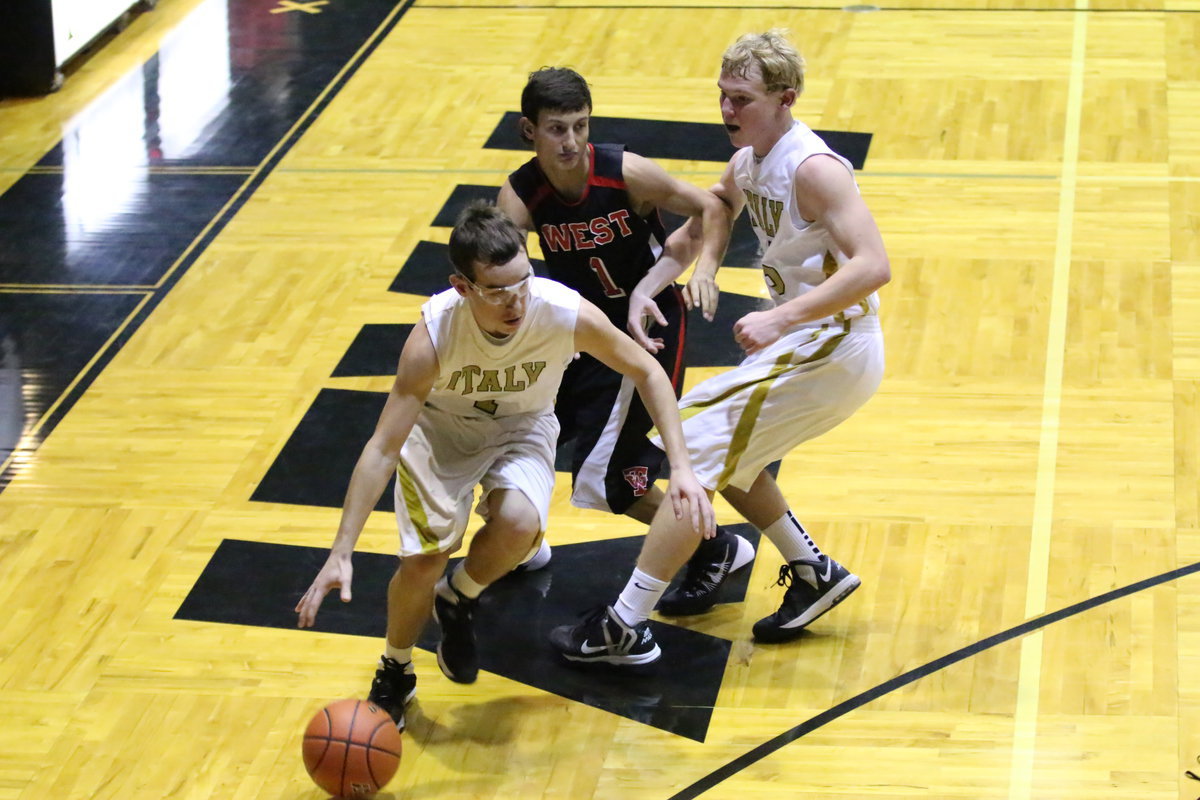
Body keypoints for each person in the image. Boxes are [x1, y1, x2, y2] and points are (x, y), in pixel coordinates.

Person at [295, 202, 714, 729]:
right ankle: (396, 667)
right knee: (423, 561)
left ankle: (460, 595)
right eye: (497, 290)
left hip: (522, 427)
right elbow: (381, 447)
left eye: (523, 281)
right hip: (442, 433)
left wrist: (680, 467)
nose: (516, 300)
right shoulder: (432, 338)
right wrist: (341, 550)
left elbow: (648, 371)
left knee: (520, 524)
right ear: (463, 286)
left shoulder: (561, 311)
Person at [551, 29, 889, 663]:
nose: (728, 111)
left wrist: (782, 317)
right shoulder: (746, 162)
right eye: (723, 96)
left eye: (743, 99)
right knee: (731, 450)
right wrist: (650, 286)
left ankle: (627, 624)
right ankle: (813, 571)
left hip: (836, 342)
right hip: (814, 342)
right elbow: (706, 218)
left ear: (786, 99)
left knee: (691, 453)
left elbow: (873, 265)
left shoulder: (812, 170)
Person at [496, 67, 754, 615]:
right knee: (511, 429)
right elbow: (497, 268)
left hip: (645, 328)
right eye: (557, 129)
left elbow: (713, 207)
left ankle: (714, 548)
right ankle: (518, 538)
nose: (571, 142)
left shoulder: (623, 172)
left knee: (614, 481)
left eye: (580, 127)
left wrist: (705, 269)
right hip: (578, 335)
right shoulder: (520, 193)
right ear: (528, 131)